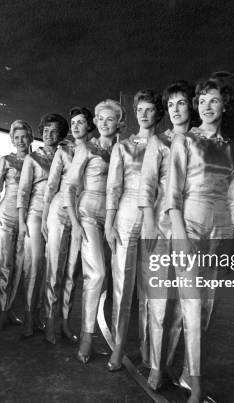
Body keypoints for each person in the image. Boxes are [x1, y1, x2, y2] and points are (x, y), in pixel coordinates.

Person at [165, 77, 234, 402]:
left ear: (224, 104)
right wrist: (180, 236)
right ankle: (196, 382)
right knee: (192, 304)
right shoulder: (184, 141)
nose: (205, 107)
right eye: (201, 101)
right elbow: (172, 195)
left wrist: (229, 237)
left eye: (212, 100)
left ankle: (179, 369)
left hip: (220, 232)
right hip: (190, 228)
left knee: (204, 308)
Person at [138, 81, 195, 389]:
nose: (175, 109)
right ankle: (157, 367)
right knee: (160, 302)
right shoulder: (158, 142)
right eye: (170, 105)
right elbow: (146, 187)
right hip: (161, 229)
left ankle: (175, 364)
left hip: (194, 231)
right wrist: (148, 223)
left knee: (186, 306)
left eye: (181, 103)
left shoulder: (201, 142)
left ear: (192, 107)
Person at [105, 89, 164, 371]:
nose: (143, 114)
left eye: (149, 109)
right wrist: (108, 222)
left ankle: (147, 349)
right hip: (126, 214)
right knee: (122, 285)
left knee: (150, 286)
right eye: (140, 109)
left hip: (157, 217)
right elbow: (113, 187)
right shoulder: (122, 147)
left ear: (158, 114)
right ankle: (118, 347)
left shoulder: (168, 145)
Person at [64, 99, 122, 363]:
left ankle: (113, 337)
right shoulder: (86, 148)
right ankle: (87, 336)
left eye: (111, 118)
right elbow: (70, 188)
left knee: (113, 278)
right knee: (96, 273)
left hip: (116, 218)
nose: (105, 123)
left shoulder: (124, 149)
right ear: (96, 122)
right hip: (87, 215)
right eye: (101, 118)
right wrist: (75, 224)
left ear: (119, 122)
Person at [41, 107, 94, 344]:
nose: (75, 126)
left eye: (80, 122)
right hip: (59, 210)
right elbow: (51, 186)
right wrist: (43, 217)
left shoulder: (96, 149)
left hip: (82, 213)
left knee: (73, 271)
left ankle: (65, 321)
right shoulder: (63, 150)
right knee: (55, 269)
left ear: (89, 126)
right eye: (73, 123)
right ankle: (50, 322)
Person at [17, 113, 68, 337]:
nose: (48, 134)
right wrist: (21, 222)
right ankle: (30, 316)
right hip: (36, 214)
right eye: (45, 130)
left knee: (54, 268)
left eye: (54, 131)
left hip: (57, 215)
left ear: (61, 135)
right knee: (35, 265)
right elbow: (23, 192)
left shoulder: (66, 155)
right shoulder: (32, 158)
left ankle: (50, 319)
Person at [0, 120, 32, 332]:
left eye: (24, 136)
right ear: (12, 141)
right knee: (3, 265)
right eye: (16, 138)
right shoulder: (5, 161)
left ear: (30, 137)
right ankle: (1, 313)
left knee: (20, 266)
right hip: (6, 215)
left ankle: (10, 310)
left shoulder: (36, 161)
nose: (20, 141)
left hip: (28, 218)